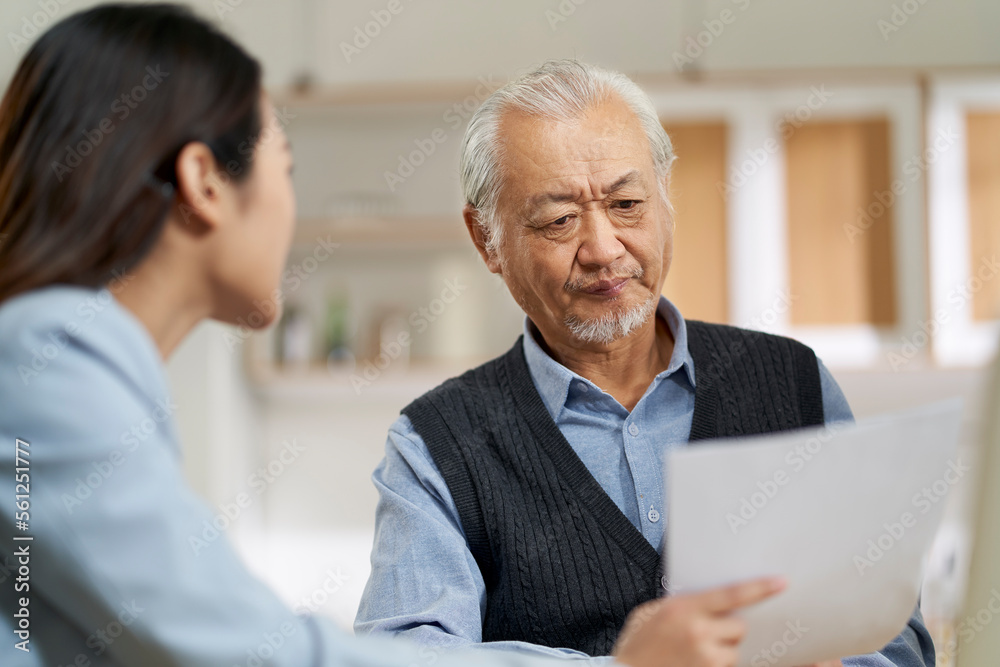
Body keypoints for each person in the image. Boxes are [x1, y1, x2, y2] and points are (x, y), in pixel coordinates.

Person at [0, 7, 759, 667]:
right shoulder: (50, 364)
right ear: (204, 182)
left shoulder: (62, 363)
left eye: (627, 202)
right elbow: (259, 652)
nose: (600, 245)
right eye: (285, 165)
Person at [354, 60, 935, 667]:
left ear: (665, 198)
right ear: (486, 241)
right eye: (558, 220)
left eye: (628, 203)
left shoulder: (792, 383)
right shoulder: (436, 444)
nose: (605, 249)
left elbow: (893, 634)